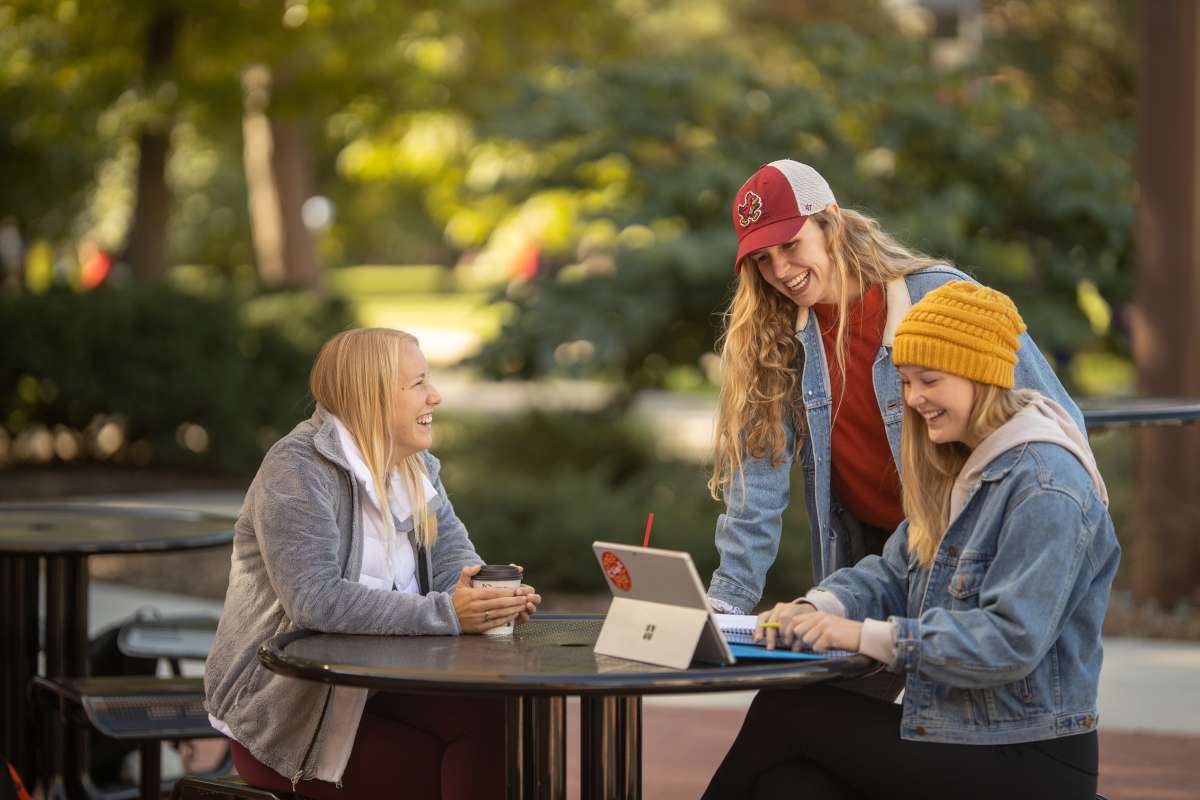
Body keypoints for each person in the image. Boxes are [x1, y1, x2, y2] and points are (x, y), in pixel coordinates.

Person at [702, 282, 1119, 800]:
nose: (913, 399)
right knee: (792, 786)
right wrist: (818, 606)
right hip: (962, 735)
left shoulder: (1046, 486)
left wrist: (856, 635)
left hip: (1030, 753)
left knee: (787, 711)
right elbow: (894, 570)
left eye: (929, 380)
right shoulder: (961, 470)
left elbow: (1008, 643)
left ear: (980, 377)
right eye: (905, 381)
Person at [706, 159, 1085, 616]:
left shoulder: (939, 298)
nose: (781, 269)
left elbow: (1056, 429)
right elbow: (756, 487)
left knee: (944, 681)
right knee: (801, 692)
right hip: (873, 567)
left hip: (972, 552)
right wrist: (726, 604)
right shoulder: (773, 337)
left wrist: (1046, 558)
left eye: (790, 244)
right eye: (762, 259)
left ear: (833, 222)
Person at [203, 328, 542, 800]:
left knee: (501, 726)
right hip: (291, 717)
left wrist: (489, 596)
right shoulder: (298, 470)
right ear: (374, 395)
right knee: (441, 774)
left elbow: (453, 561)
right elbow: (314, 600)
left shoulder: (415, 469)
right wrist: (447, 613)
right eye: (419, 383)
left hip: (383, 689)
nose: (435, 396)